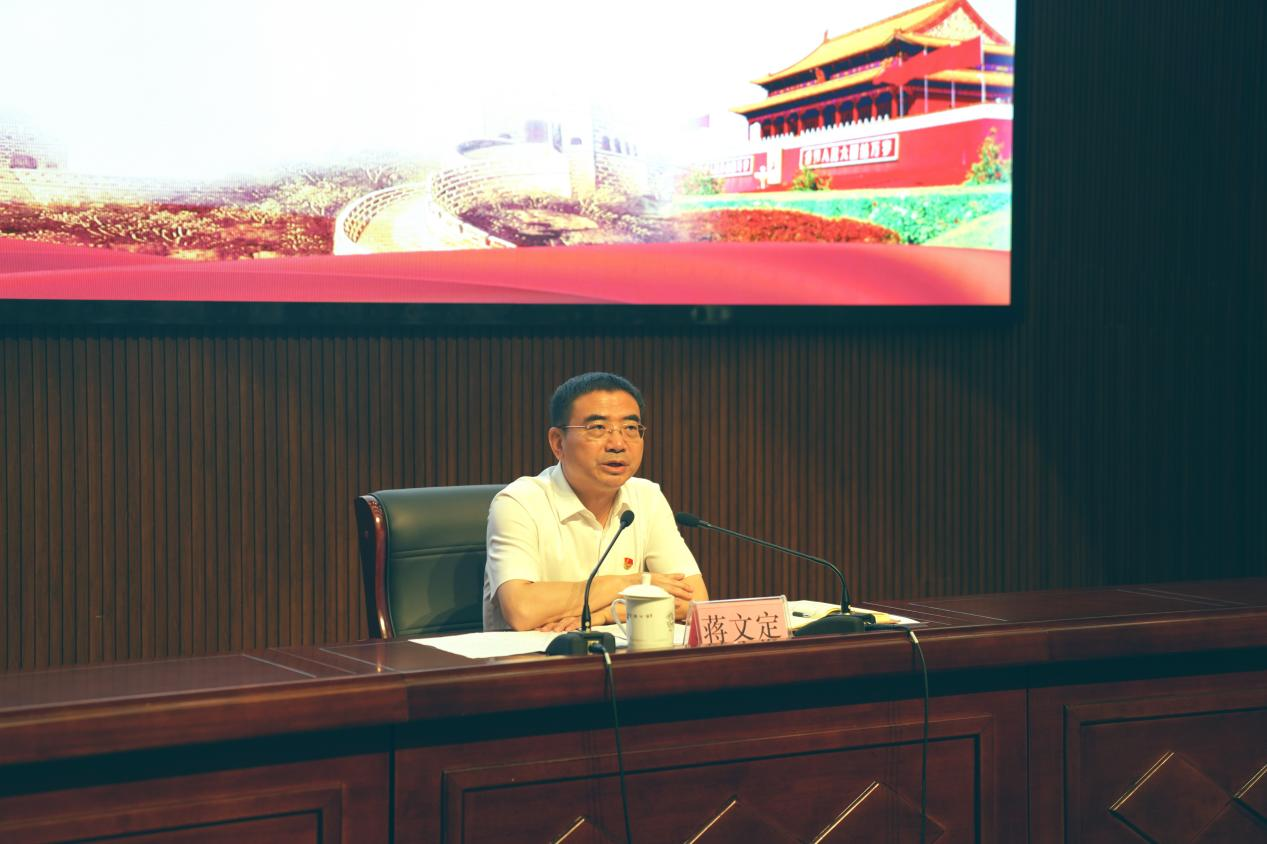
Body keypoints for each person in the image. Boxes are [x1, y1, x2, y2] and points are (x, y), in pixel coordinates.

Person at [483, 372, 709, 632]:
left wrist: (606, 614)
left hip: (620, 653)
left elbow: (694, 601)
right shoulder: (519, 502)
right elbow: (522, 609)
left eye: (630, 428)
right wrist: (632, 583)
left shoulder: (647, 497)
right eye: (598, 428)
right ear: (558, 443)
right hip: (536, 655)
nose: (618, 444)